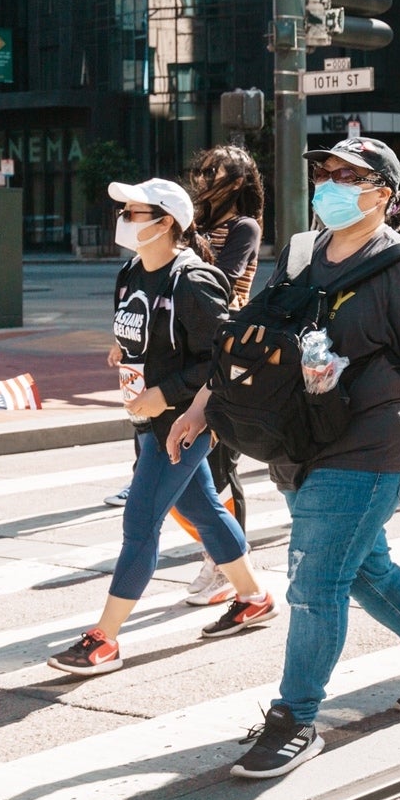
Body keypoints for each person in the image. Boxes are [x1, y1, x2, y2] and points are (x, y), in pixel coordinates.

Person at [199, 136, 400, 779]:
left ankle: (295, 720)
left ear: (385, 192)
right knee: (362, 561)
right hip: (303, 438)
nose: (330, 184)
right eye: (323, 172)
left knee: (316, 581)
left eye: (349, 175)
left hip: (376, 443)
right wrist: (199, 409)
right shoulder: (300, 252)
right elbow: (253, 338)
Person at [47, 179, 273, 676]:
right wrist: (123, 347)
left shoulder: (193, 280)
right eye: (123, 211)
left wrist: (166, 394)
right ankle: (253, 596)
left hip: (185, 421)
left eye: (133, 212)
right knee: (203, 509)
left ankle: (104, 638)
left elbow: (224, 354)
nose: (123, 220)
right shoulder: (130, 271)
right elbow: (137, 325)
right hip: (147, 418)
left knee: (141, 521)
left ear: (166, 221)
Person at [176, 144, 267, 606]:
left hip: (224, 354)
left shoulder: (243, 227)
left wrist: (187, 238)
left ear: (239, 180)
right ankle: (220, 554)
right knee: (182, 467)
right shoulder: (198, 226)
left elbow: (223, 283)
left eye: (216, 170)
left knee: (220, 465)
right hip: (187, 351)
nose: (205, 177)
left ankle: (229, 565)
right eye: (203, 168)